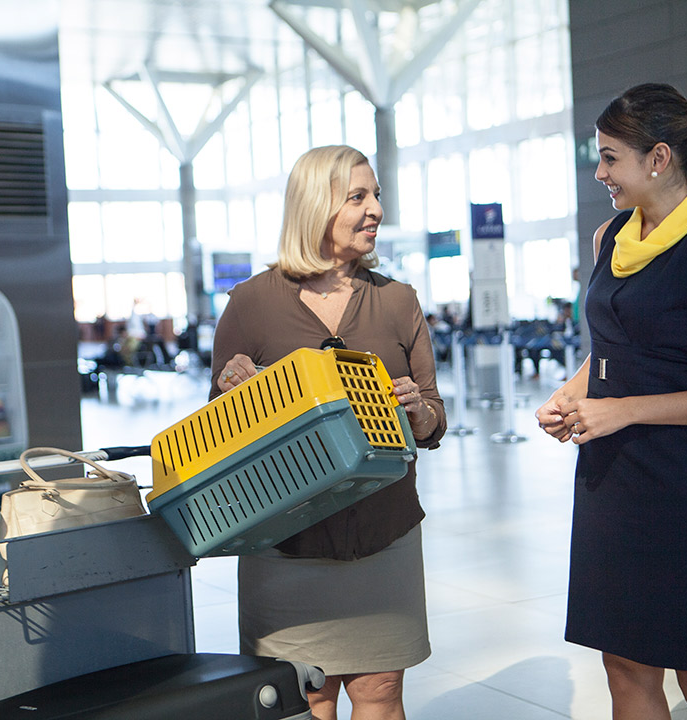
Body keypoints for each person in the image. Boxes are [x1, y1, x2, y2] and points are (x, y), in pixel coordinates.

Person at [535, 83, 687, 719]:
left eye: (611, 157)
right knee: (625, 667)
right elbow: (615, 347)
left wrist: (626, 408)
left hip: (686, 487)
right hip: (611, 485)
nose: (601, 171)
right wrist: (572, 392)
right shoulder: (609, 238)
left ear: (658, 158)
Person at [210, 145, 447, 720]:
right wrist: (229, 391)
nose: (375, 211)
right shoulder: (250, 303)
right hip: (288, 543)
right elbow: (217, 434)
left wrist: (417, 412)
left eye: (377, 196)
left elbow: (435, 419)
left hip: (383, 535)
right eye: (357, 197)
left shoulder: (397, 300)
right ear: (317, 205)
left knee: (381, 689)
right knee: (308, 695)